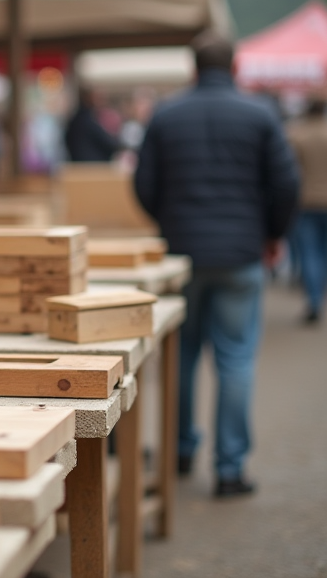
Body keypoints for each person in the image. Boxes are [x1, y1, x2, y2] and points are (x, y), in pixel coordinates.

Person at [134, 37, 300, 498]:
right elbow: (286, 183)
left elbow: (143, 183)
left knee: (181, 356)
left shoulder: (165, 115)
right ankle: (230, 469)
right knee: (236, 358)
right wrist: (272, 235)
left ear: (193, 67)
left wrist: (169, 222)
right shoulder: (260, 114)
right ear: (235, 65)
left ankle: (180, 452)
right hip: (242, 253)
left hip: (182, 254)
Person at [286, 99, 327, 323]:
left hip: (306, 201)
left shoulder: (296, 135)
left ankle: (313, 300)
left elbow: (288, 172)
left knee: (309, 253)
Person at [64, 87, 120, 161]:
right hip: (90, 164)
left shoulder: (79, 117)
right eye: (98, 97)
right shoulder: (85, 119)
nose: (101, 101)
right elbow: (107, 141)